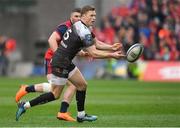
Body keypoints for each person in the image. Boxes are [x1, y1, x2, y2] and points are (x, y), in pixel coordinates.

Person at [15, 5, 125, 122]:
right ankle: (25, 105)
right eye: (91, 15)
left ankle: (81, 115)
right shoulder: (83, 30)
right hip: (61, 63)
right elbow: (94, 53)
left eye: (95, 15)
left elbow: (96, 43)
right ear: (83, 16)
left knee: (82, 85)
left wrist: (111, 47)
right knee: (55, 94)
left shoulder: (81, 26)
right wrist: (112, 55)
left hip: (65, 61)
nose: (93, 18)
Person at [15, 8, 83, 122]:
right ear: (71, 17)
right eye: (76, 16)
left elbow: (71, 47)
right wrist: (58, 57)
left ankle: (27, 92)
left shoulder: (78, 30)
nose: (78, 18)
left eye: (80, 17)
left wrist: (82, 53)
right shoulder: (64, 27)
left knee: (58, 90)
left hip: (62, 60)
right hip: (53, 59)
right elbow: (51, 39)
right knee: (64, 87)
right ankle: (62, 112)